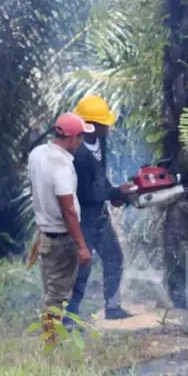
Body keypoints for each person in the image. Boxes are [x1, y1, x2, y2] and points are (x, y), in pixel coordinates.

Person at [65, 94, 134, 323]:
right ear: (91, 126)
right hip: (83, 219)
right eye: (104, 123)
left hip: (100, 215)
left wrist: (113, 192)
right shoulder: (78, 155)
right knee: (82, 268)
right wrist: (114, 193)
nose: (108, 126)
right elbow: (85, 193)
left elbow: (100, 179)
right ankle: (70, 318)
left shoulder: (99, 142)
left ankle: (113, 307)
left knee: (114, 257)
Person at [28, 113, 94, 342]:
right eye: (81, 137)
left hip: (44, 232)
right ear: (73, 139)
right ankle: (51, 342)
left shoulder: (37, 154)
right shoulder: (62, 168)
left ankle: (54, 335)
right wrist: (82, 246)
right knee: (57, 295)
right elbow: (68, 210)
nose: (82, 141)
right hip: (60, 239)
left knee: (52, 291)